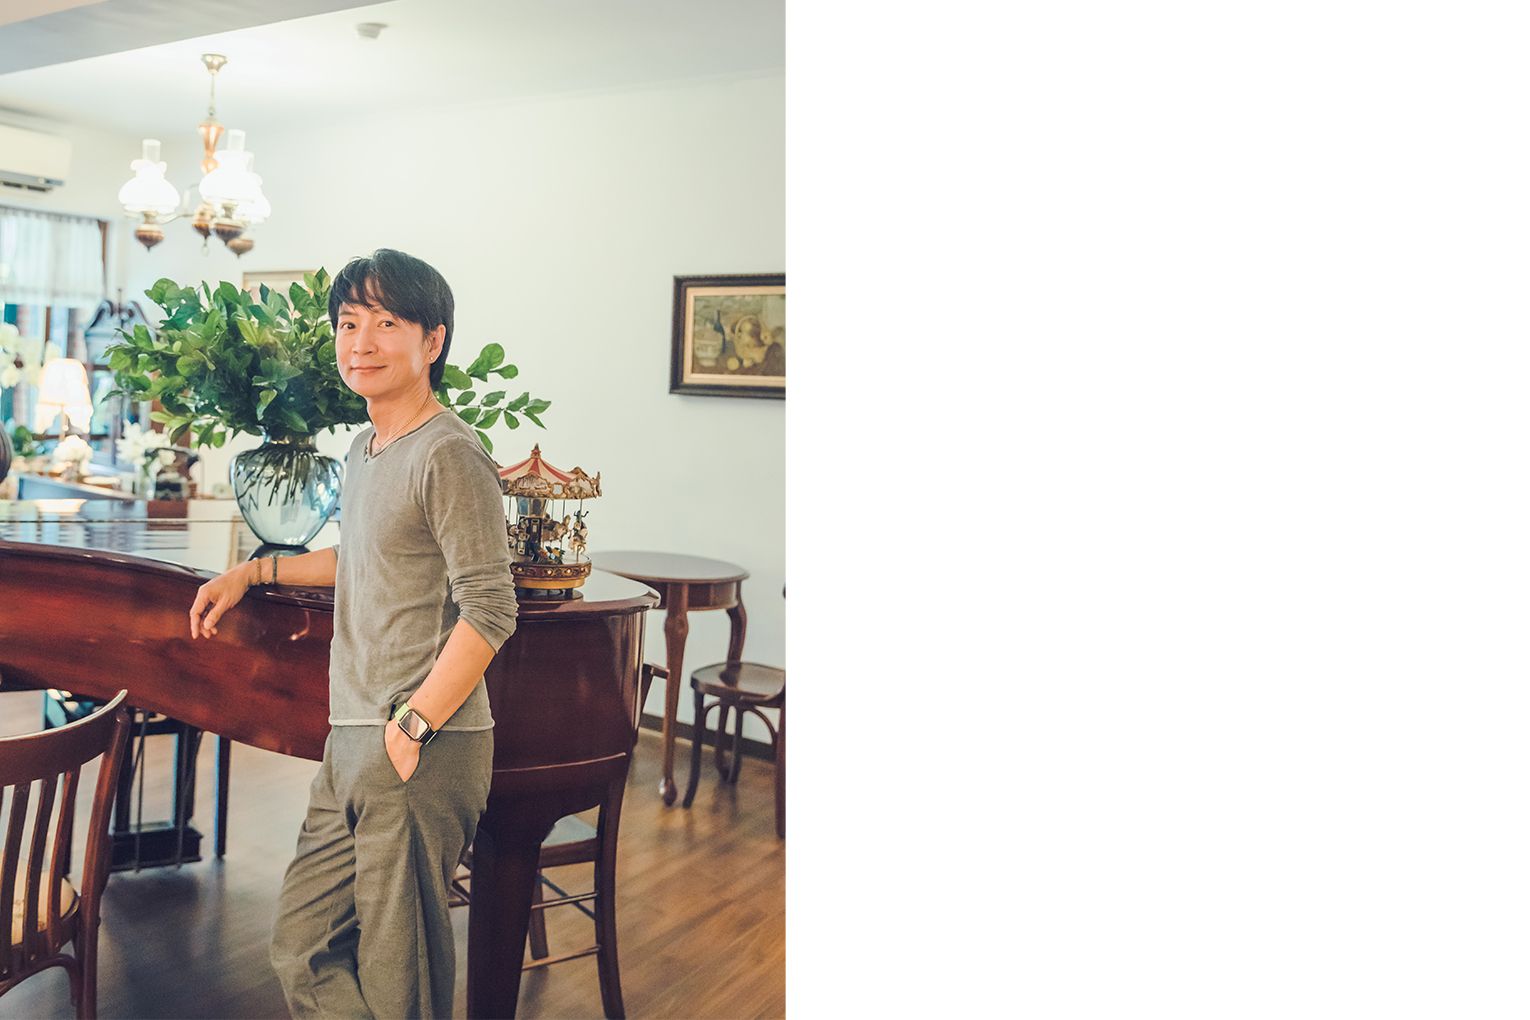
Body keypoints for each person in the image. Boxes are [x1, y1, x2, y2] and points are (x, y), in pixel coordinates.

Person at [187, 248, 518, 1019]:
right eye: (347, 323)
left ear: (432, 341)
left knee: (400, 977)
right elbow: (357, 555)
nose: (361, 342)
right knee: (302, 949)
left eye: (386, 323)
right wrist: (253, 573)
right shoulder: (365, 452)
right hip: (352, 736)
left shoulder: (450, 452)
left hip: (419, 741)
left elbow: (491, 607)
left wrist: (413, 724)